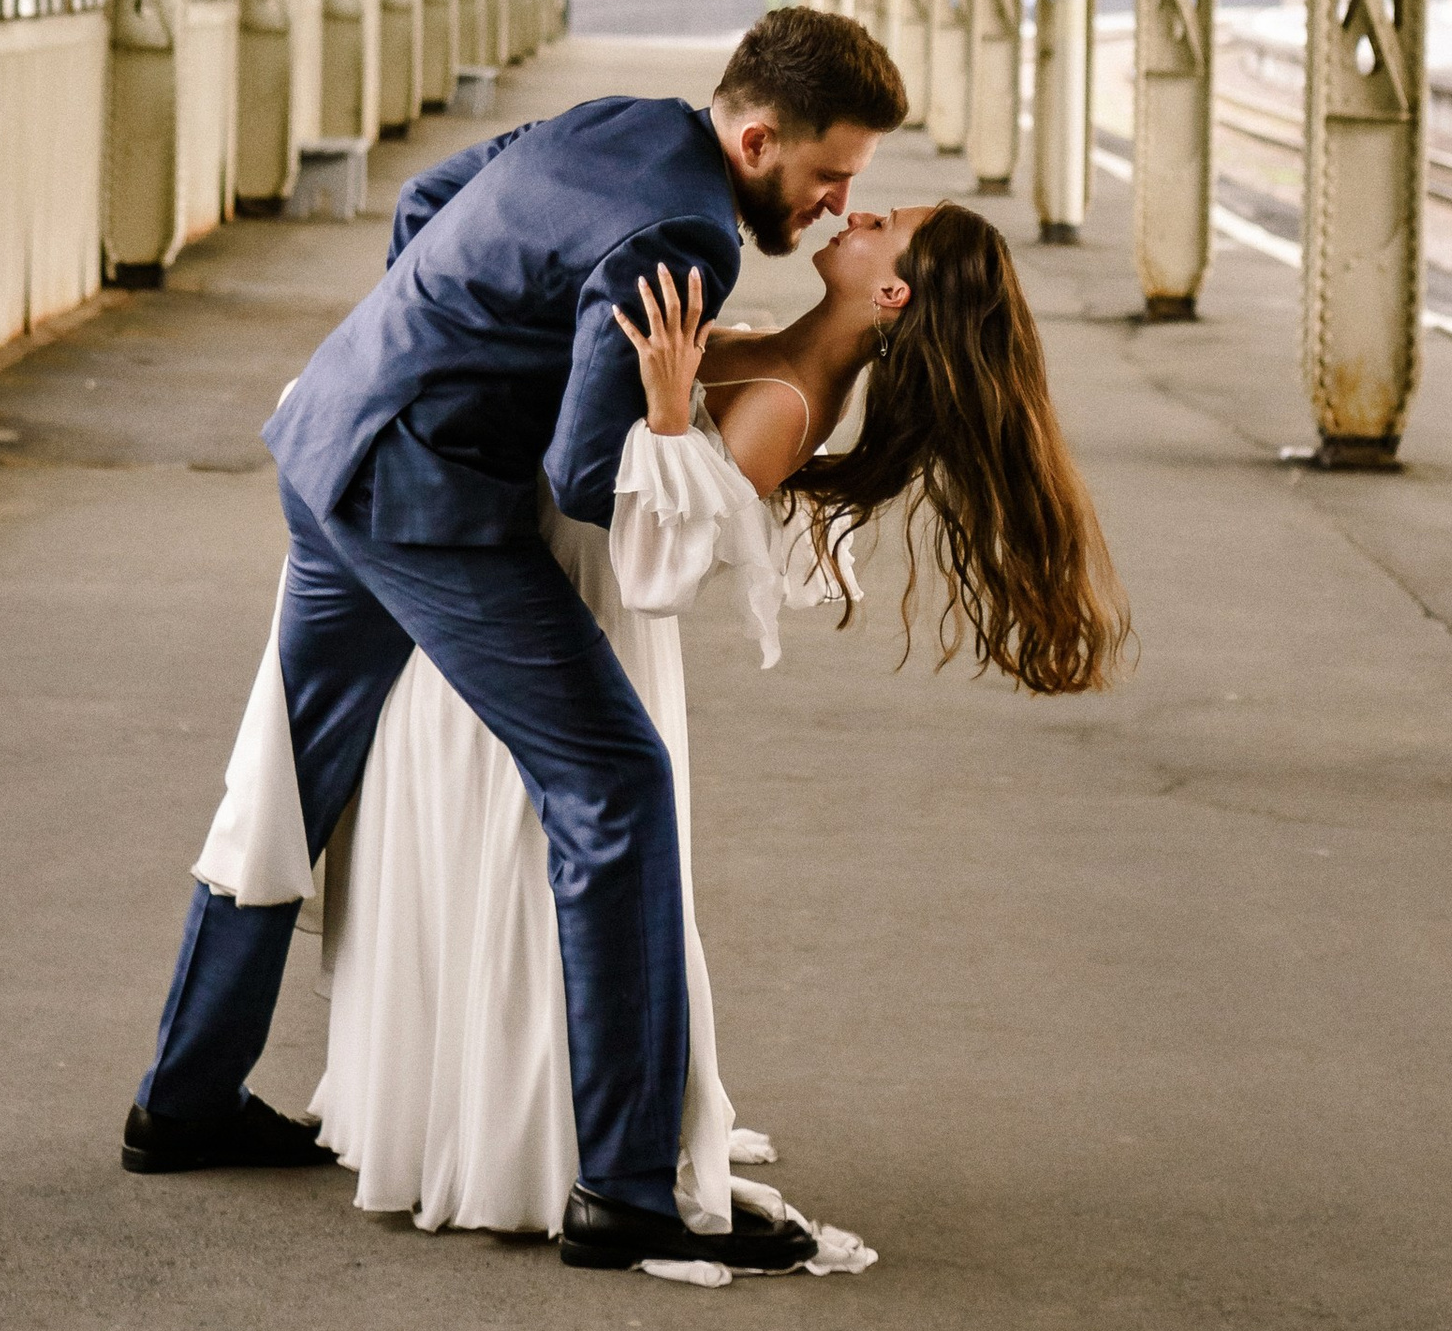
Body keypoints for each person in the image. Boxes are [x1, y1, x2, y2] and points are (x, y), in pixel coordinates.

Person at [123, 8, 910, 1276]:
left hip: (334, 428)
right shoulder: (692, 235)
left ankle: (182, 1100)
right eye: (829, 175)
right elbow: (581, 471)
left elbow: (432, 196)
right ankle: (625, 1186)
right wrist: (613, 413)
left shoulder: (628, 123)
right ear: (758, 137)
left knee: (287, 775)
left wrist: (432, 342)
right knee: (614, 780)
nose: (831, 204)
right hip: (423, 506)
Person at [298, 196, 1129, 1255]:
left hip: (581, 600)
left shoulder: (787, 400)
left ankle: (528, 1134)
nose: (859, 209)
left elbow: (657, 569)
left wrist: (663, 410)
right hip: (526, 566)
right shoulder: (781, 350)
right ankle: (511, 1113)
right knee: (491, 847)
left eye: (885, 222)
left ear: (889, 293)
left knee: (514, 848)